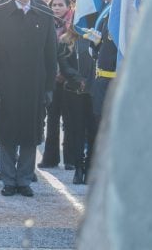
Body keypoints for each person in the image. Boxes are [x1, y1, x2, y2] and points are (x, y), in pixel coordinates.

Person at [0, 0, 57, 197]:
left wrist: (48, 88)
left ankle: (24, 179)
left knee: (30, 134)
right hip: (6, 85)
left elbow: (51, 52)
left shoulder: (44, 12)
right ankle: (8, 179)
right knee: (6, 134)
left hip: (34, 85)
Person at [84, 0, 118, 176]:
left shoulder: (120, 11)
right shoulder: (108, 10)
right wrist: (95, 45)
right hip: (102, 79)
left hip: (115, 81)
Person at [57, 24, 95, 185]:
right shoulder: (65, 41)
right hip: (73, 92)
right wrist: (78, 79)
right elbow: (64, 65)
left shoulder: (95, 38)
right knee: (76, 131)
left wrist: (90, 81)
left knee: (93, 131)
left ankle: (90, 167)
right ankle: (78, 168)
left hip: (93, 92)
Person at [40, 0, 73, 169]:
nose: (57, 8)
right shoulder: (47, 24)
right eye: (54, 5)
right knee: (52, 121)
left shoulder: (73, 25)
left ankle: (70, 159)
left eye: (61, 5)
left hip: (68, 81)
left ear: (68, 7)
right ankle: (50, 158)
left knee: (69, 122)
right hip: (51, 80)